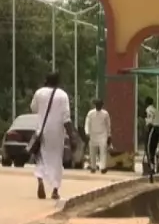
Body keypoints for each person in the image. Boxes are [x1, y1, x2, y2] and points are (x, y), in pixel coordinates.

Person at [30, 72, 75, 200]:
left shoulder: (39, 93)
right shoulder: (63, 95)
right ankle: (55, 190)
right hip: (57, 133)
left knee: (41, 158)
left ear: (46, 80)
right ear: (58, 82)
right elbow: (66, 118)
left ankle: (40, 181)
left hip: (41, 131)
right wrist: (72, 136)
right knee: (56, 160)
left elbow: (33, 108)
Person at [84, 99, 111, 174]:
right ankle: (93, 167)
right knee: (92, 152)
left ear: (102, 106)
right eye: (97, 105)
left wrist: (109, 135)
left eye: (100, 105)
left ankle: (103, 167)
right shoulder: (90, 113)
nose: (98, 106)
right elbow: (87, 123)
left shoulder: (105, 114)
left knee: (103, 151)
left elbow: (108, 125)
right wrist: (87, 132)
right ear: (95, 105)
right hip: (93, 134)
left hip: (103, 134)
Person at [143, 96, 159, 174]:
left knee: (148, 148)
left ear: (146, 103)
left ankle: (151, 168)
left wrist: (147, 128)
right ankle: (152, 167)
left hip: (152, 129)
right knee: (153, 149)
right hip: (157, 130)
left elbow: (149, 121)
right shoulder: (156, 110)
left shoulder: (148, 110)